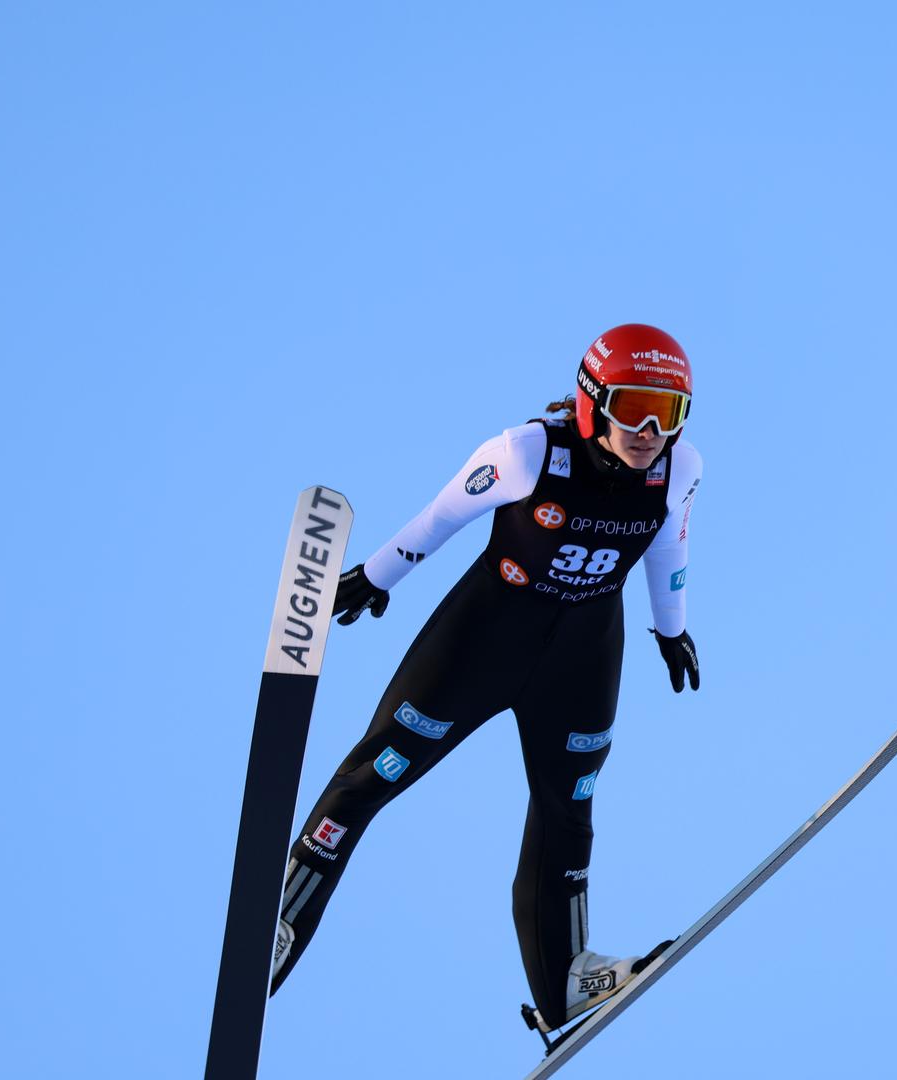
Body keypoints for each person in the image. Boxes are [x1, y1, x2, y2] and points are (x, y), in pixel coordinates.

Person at [266, 323, 704, 1034]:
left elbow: (669, 546)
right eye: (632, 406)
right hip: (481, 643)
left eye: (670, 410)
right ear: (593, 402)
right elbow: (441, 517)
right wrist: (376, 577)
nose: (651, 429)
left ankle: (566, 983)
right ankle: (279, 922)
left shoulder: (678, 469)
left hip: (583, 658)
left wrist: (673, 627)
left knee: (569, 811)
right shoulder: (528, 452)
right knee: (372, 776)